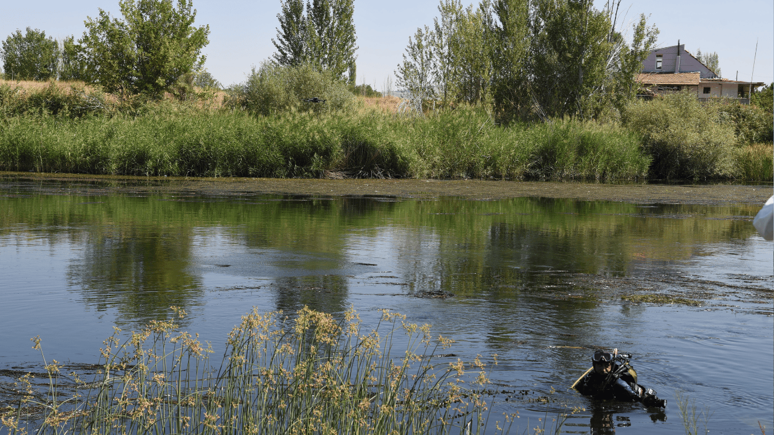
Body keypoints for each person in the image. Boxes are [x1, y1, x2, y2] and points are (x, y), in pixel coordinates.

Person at [574, 349, 666, 408]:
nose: (603, 369)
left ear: (611, 365)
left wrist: (648, 400)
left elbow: (637, 398)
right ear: (594, 365)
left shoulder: (617, 382)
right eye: (599, 365)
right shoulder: (589, 378)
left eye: (606, 365)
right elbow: (576, 390)